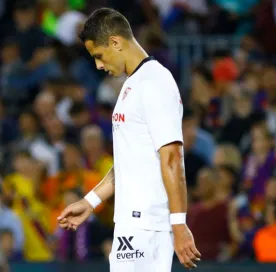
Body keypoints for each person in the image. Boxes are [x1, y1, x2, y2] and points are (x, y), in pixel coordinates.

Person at [57, 8, 201, 272]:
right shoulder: (132, 85)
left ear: (115, 42)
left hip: (147, 225)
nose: (98, 65)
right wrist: (91, 202)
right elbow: (130, 161)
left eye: (98, 56)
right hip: (131, 224)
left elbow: (172, 157)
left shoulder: (155, 83)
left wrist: (179, 224)